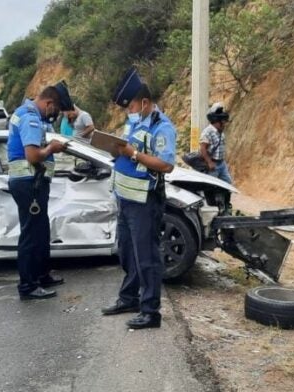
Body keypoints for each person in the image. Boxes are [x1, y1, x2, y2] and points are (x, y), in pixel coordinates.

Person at [101, 68, 177, 329]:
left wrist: (132, 154)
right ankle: (129, 298)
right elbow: (125, 150)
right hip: (125, 199)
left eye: (131, 106)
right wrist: (114, 148)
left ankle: (150, 311)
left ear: (144, 102)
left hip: (145, 202)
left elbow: (166, 165)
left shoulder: (162, 127)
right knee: (127, 253)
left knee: (147, 258)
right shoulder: (134, 123)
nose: (128, 111)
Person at [7, 81, 73, 300]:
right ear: (49, 103)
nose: (56, 114)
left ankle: (42, 275)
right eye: (56, 109)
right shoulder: (30, 118)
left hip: (33, 182)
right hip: (29, 183)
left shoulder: (30, 114)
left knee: (41, 230)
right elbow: (33, 156)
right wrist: (52, 149)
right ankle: (28, 286)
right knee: (31, 235)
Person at [200, 102, 232, 184]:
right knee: (211, 186)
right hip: (213, 164)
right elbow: (203, 149)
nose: (224, 123)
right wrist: (210, 162)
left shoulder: (220, 132)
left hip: (221, 163)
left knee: (227, 183)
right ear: (217, 121)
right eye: (223, 121)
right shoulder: (207, 132)